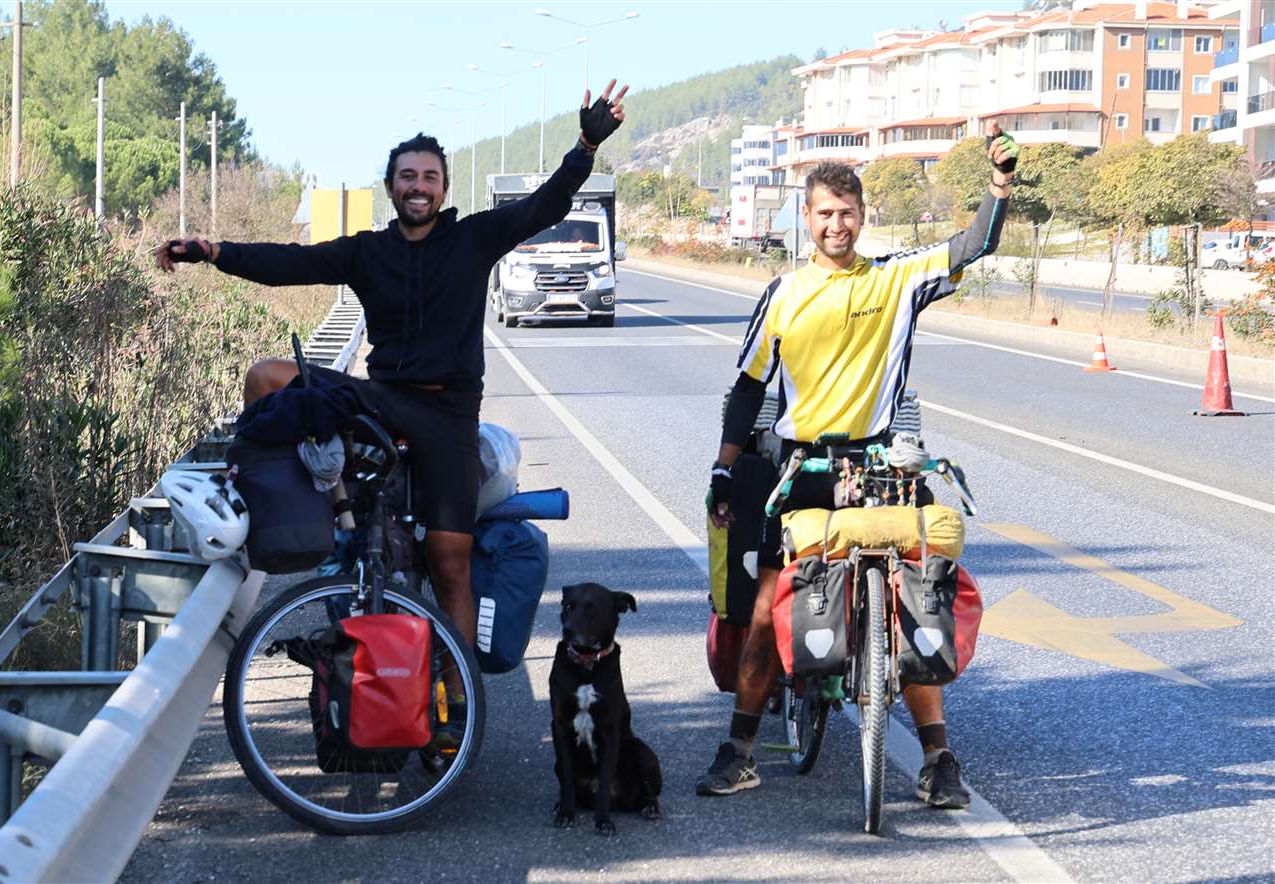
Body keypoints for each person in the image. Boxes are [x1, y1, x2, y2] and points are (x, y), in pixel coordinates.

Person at [156, 81, 630, 648]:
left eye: (429, 177)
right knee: (266, 377)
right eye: (408, 176)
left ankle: (458, 694)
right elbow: (290, 263)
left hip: (447, 416)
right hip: (377, 399)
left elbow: (545, 206)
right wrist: (213, 252)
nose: (419, 186)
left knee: (450, 562)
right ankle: (272, 501)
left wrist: (584, 146)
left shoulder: (474, 238)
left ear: (444, 188)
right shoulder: (367, 250)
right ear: (391, 187)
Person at [697, 123, 1018, 808]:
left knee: (912, 603)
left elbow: (975, 244)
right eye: (823, 214)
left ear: (862, 216)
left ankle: (939, 759)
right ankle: (742, 749)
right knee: (763, 612)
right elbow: (750, 387)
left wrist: (1000, 181)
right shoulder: (783, 292)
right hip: (803, 466)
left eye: (846, 213)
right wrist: (726, 467)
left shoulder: (899, 278)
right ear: (806, 219)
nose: (835, 224)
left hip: (879, 465)